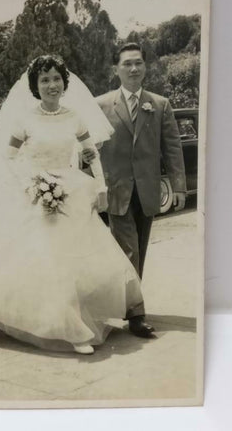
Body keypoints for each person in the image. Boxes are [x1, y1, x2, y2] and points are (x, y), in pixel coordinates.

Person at [0, 55, 145, 355]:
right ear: (35, 85)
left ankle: (78, 320)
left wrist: (100, 185)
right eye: (44, 80)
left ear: (64, 83)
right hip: (36, 195)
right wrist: (31, 184)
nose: (51, 85)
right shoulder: (25, 119)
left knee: (75, 263)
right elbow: (7, 158)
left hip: (70, 191)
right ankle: (72, 331)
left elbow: (91, 154)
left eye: (56, 78)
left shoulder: (74, 117)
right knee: (49, 264)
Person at [96, 42, 187, 336]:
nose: (133, 69)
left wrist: (178, 188)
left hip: (147, 192)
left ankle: (126, 305)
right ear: (116, 69)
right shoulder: (101, 105)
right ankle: (137, 315)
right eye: (127, 64)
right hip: (116, 191)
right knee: (129, 250)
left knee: (140, 250)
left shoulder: (160, 105)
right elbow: (90, 150)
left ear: (145, 67)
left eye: (138, 63)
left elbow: (172, 149)